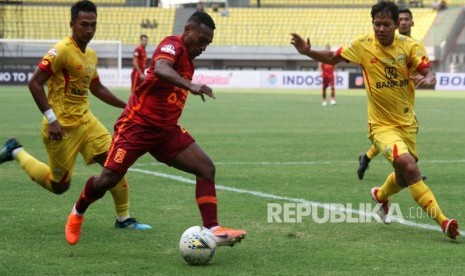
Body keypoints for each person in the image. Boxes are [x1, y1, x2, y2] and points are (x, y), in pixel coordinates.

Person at [65, 11, 247, 246]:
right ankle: (78, 212)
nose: (204, 47)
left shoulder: (190, 61)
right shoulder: (172, 45)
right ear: (187, 31)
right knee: (107, 180)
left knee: (206, 168)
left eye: (208, 43)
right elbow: (161, 68)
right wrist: (190, 85)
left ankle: (213, 229)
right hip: (136, 126)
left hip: (166, 132)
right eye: (202, 40)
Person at [290, 1, 459, 239]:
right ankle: (444, 222)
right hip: (381, 127)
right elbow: (332, 56)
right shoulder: (362, 45)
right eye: (377, 24)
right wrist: (308, 51)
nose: (381, 29)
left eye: (386, 24)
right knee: (411, 168)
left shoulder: (409, 46)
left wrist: (430, 78)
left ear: (395, 25)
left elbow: (427, 70)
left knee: (402, 176)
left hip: (407, 124)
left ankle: (380, 195)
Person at [0, 0, 151, 230]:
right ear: (72, 24)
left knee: (115, 163)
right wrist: (52, 119)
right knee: (59, 185)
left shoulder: (90, 55)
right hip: (60, 128)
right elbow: (34, 83)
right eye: (84, 25)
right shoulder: (60, 51)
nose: (89, 30)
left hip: (86, 122)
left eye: (93, 24)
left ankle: (124, 218)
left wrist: (126, 105)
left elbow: (97, 87)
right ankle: (16, 151)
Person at [357, 8, 426, 181]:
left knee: (402, 132)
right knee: (391, 133)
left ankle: (367, 157)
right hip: (388, 102)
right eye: (401, 19)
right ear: (397, 23)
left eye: (406, 19)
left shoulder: (414, 46)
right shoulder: (385, 42)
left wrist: (424, 75)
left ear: (412, 23)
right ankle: (410, 170)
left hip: (405, 101)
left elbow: (423, 69)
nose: (403, 22)